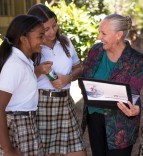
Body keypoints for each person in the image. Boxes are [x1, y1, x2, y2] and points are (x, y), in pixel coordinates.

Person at [81, 14, 143, 156]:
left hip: (120, 124)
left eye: (103, 33)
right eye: (99, 32)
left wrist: (135, 108)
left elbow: (133, 92)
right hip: (94, 118)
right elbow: (86, 78)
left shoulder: (137, 60)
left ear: (118, 35)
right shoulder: (95, 51)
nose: (99, 37)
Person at [27, 4, 86, 156]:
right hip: (42, 106)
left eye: (54, 25)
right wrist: (39, 70)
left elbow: (79, 67)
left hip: (66, 104)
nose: (52, 31)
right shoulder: (32, 48)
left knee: (79, 152)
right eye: (46, 29)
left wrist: (69, 78)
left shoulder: (65, 42)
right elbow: (22, 80)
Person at [0, 14, 44, 155]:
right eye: (40, 36)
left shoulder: (24, 61)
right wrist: (8, 150)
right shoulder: (15, 64)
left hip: (26, 124)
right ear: (24, 39)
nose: (43, 40)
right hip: (18, 127)